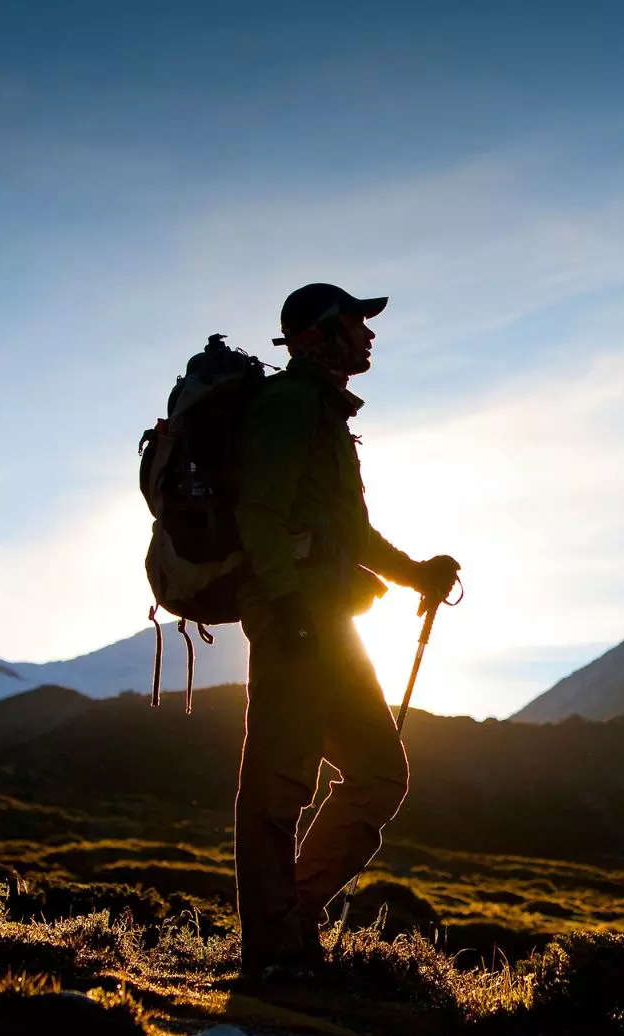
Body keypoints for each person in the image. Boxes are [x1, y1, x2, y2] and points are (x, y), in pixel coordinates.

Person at [231, 282, 460, 975]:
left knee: (378, 774)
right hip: (298, 623)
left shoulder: (323, 416)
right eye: (354, 324)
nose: (368, 335)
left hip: (328, 623)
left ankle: (290, 925)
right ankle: (276, 952)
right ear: (315, 336)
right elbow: (258, 513)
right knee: (278, 788)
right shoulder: (291, 407)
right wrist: (288, 607)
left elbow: (349, 532)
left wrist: (416, 573)